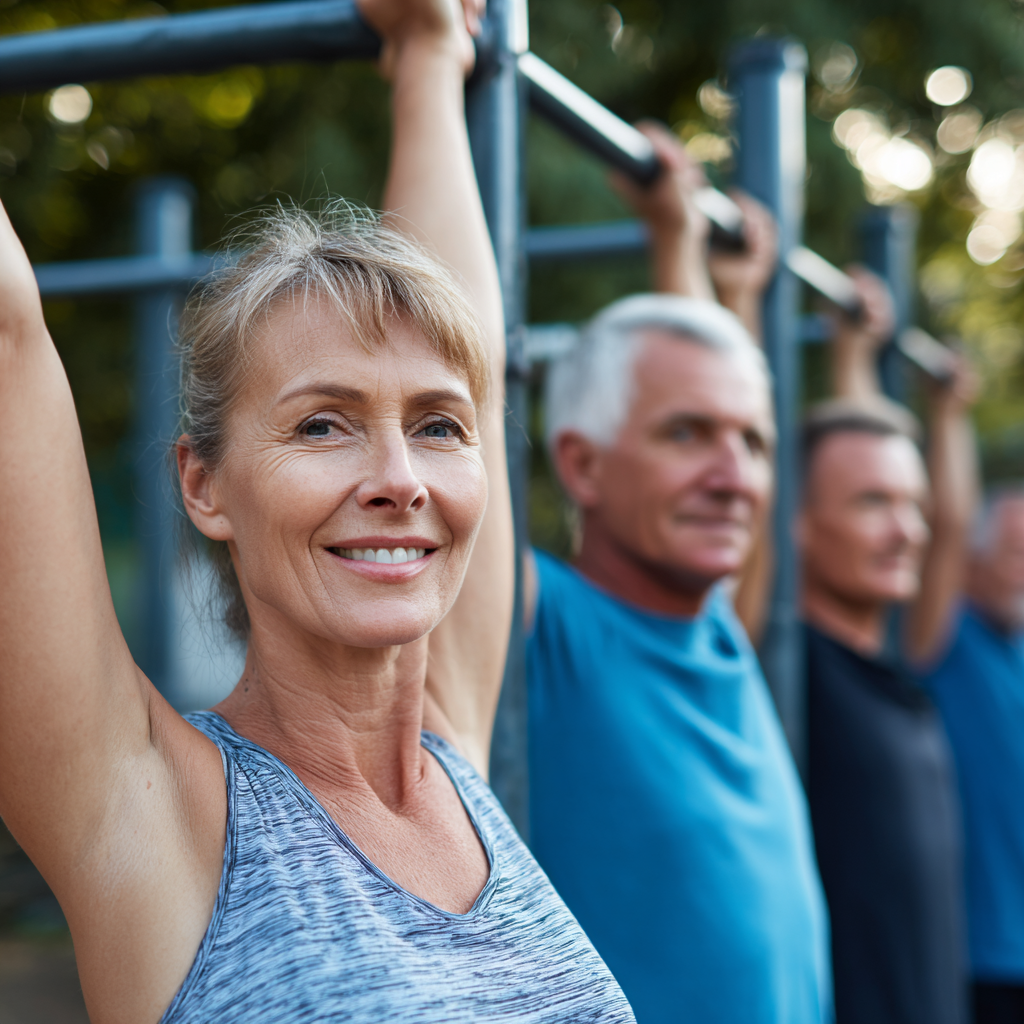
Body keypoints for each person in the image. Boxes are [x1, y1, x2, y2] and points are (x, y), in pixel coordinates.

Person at [0, 2, 636, 1022]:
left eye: (436, 428)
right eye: (322, 426)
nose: (400, 476)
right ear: (204, 484)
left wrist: (429, 54)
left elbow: (468, 339)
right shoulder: (154, 812)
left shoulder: (454, 750)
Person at [526, 128, 833, 1024]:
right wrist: (432, 63)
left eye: (754, 444)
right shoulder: (551, 628)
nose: (735, 475)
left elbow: (704, 387)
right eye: (684, 437)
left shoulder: (716, 626)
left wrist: (685, 249)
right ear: (581, 468)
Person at [798, 268, 976, 1024]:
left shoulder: (902, 660)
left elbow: (949, 526)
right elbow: (837, 466)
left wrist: (946, 415)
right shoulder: (789, 665)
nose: (908, 528)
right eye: (878, 506)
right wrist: (851, 359)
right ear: (795, 524)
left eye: (912, 505)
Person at [925, 489, 1024, 1024]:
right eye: (1017, 554)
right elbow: (947, 523)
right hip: (981, 955)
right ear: (972, 562)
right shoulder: (946, 638)